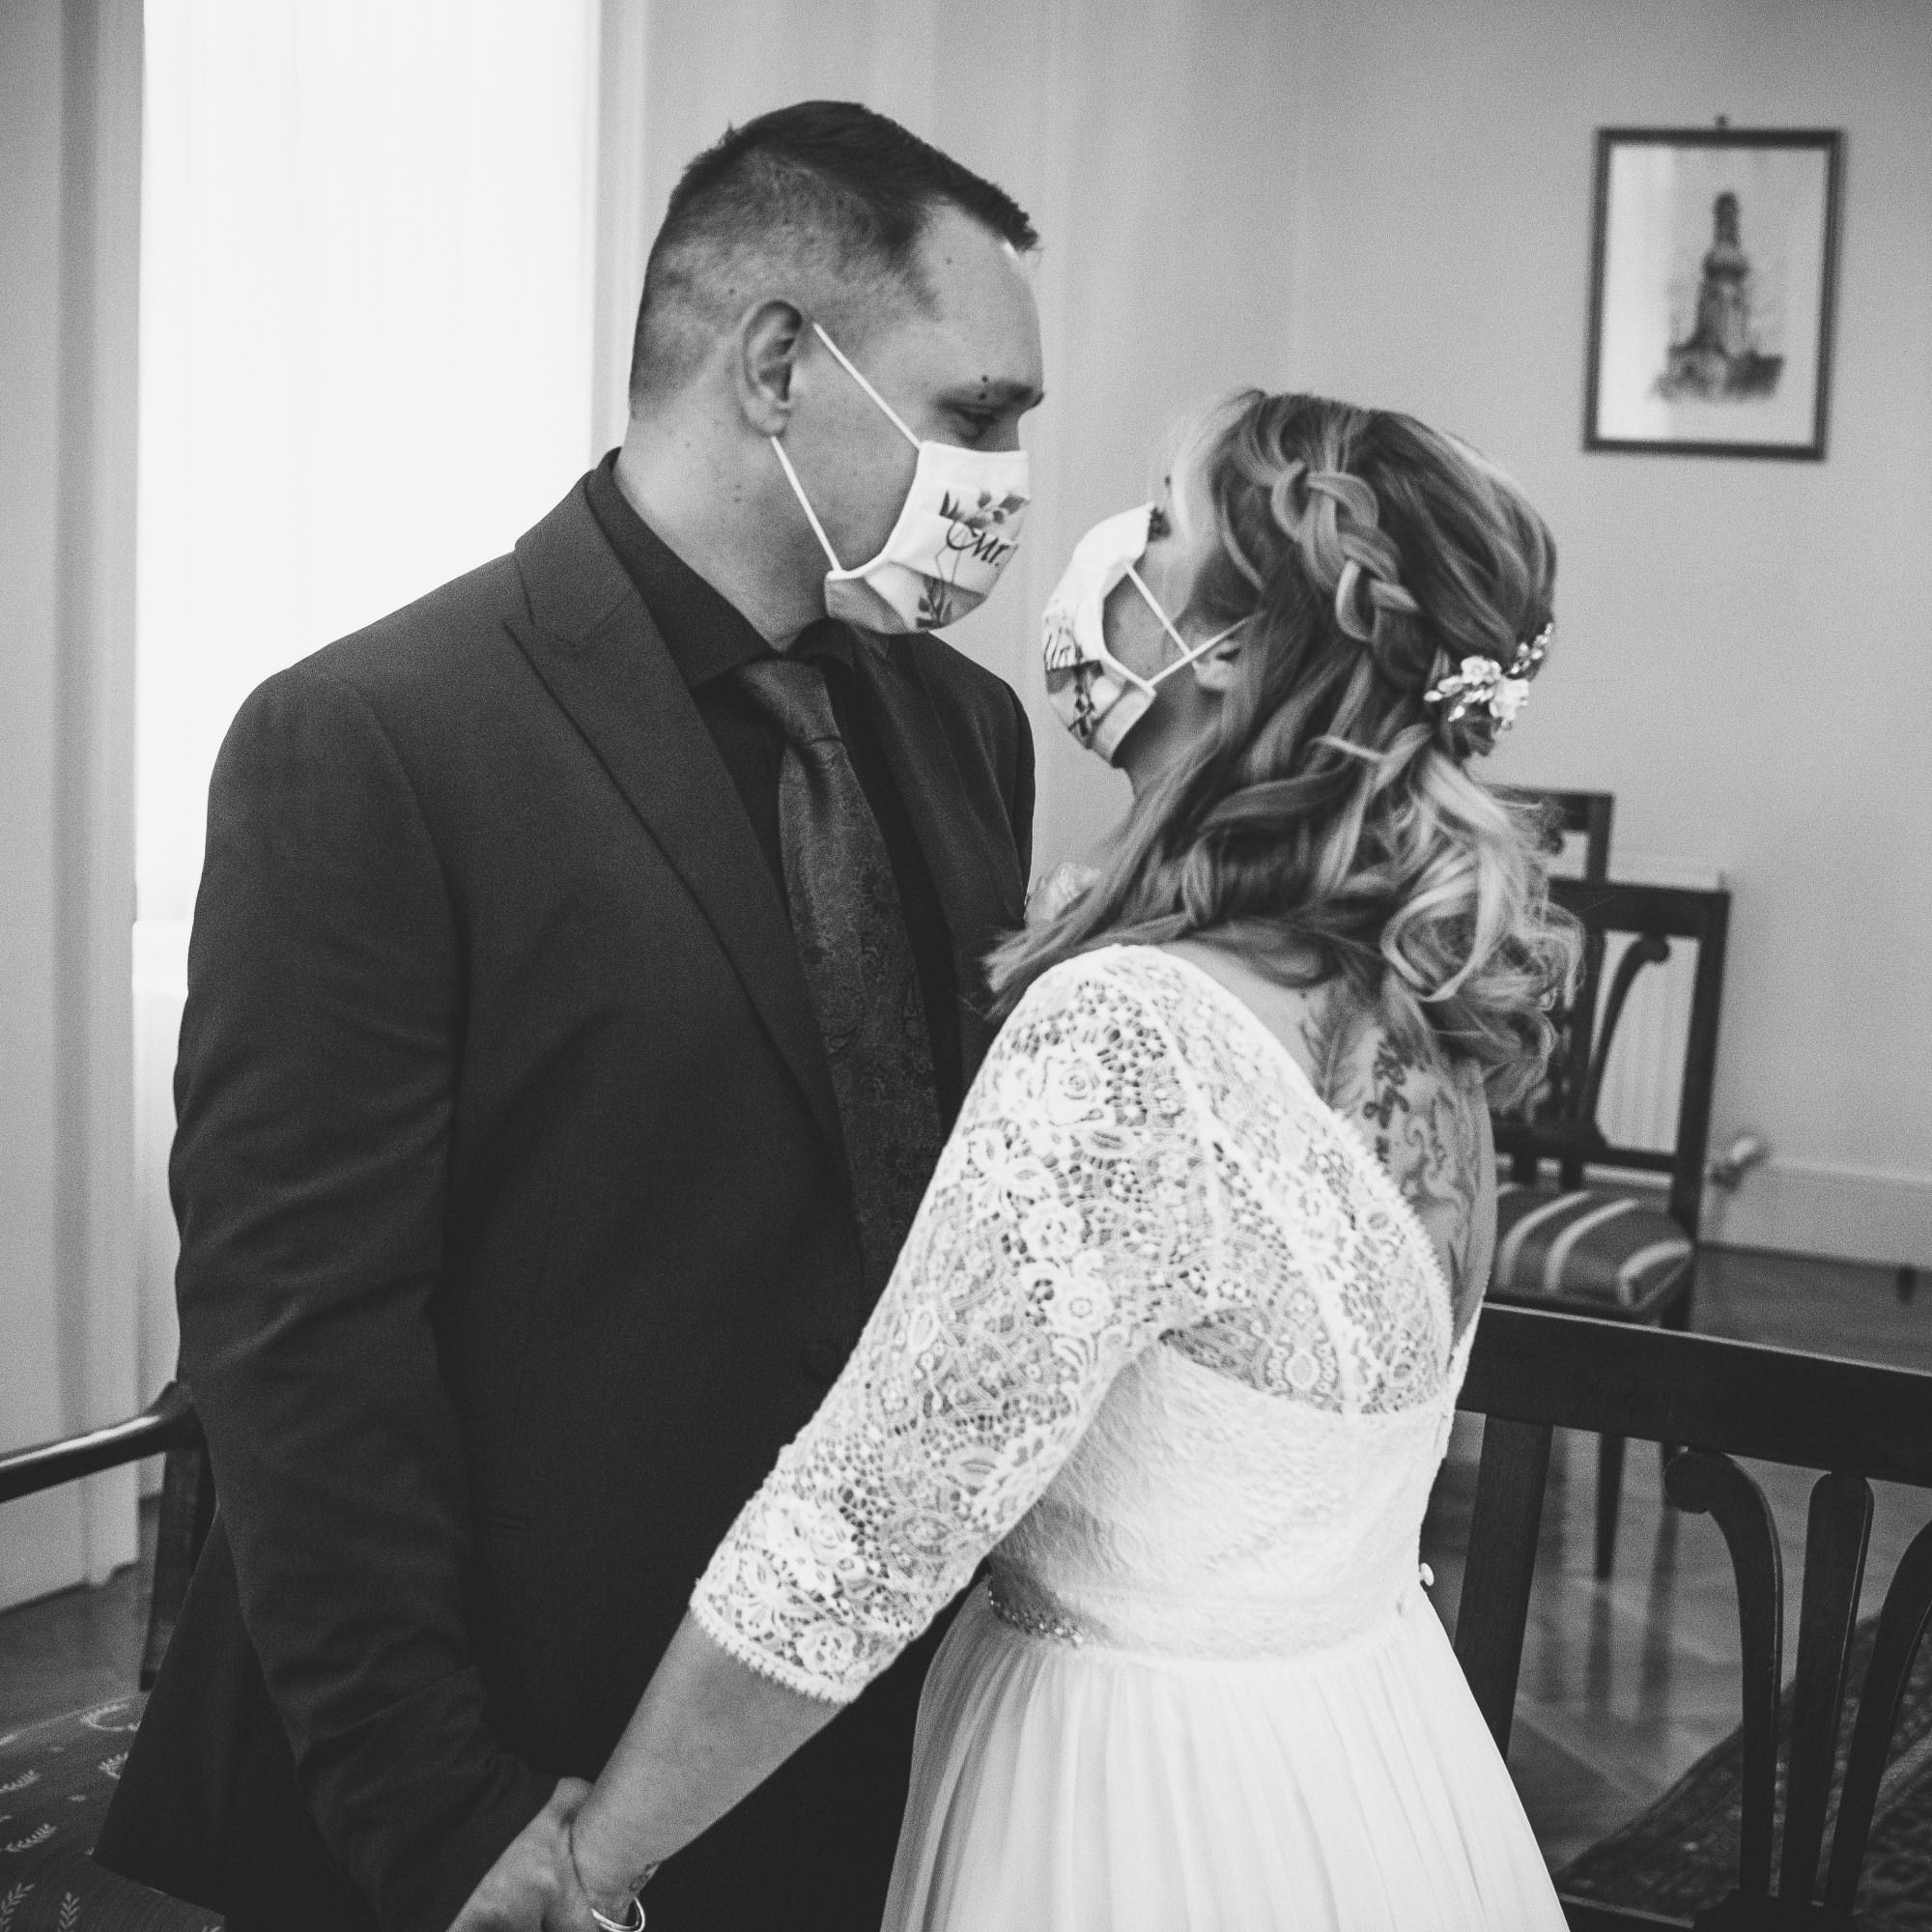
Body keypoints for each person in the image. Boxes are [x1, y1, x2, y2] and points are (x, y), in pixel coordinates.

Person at [96, 101, 1043, 1932]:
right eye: (977, 414)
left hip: (862, 1740)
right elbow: (301, 1331)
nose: (1002, 477)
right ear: (781, 363)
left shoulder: (965, 727)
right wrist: (434, 1807)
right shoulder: (374, 736)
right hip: (509, 1748)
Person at [471, 389, 1582, 1931]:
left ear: (1236, 646)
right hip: (1364, 1752)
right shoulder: (1410, 994)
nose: (1111, 549)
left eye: (1164, 523)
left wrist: (598, 1866)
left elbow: (874, 1516)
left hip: (1141, 1806)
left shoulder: (1145, 1032)